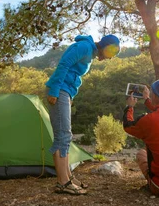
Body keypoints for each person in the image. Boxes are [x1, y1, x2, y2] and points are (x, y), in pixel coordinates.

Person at [46, 34, 120, 195]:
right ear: (104, 46)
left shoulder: (90, 52)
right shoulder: (84, 47)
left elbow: (73, 74)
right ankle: (62, 182)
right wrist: (55, 91)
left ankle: (68, 177)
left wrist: (69, 96)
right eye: (109, 53)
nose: (108, 58)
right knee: (62, 136)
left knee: (66, 135)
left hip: (65, 92)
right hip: (59, 90)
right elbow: (64, 64)